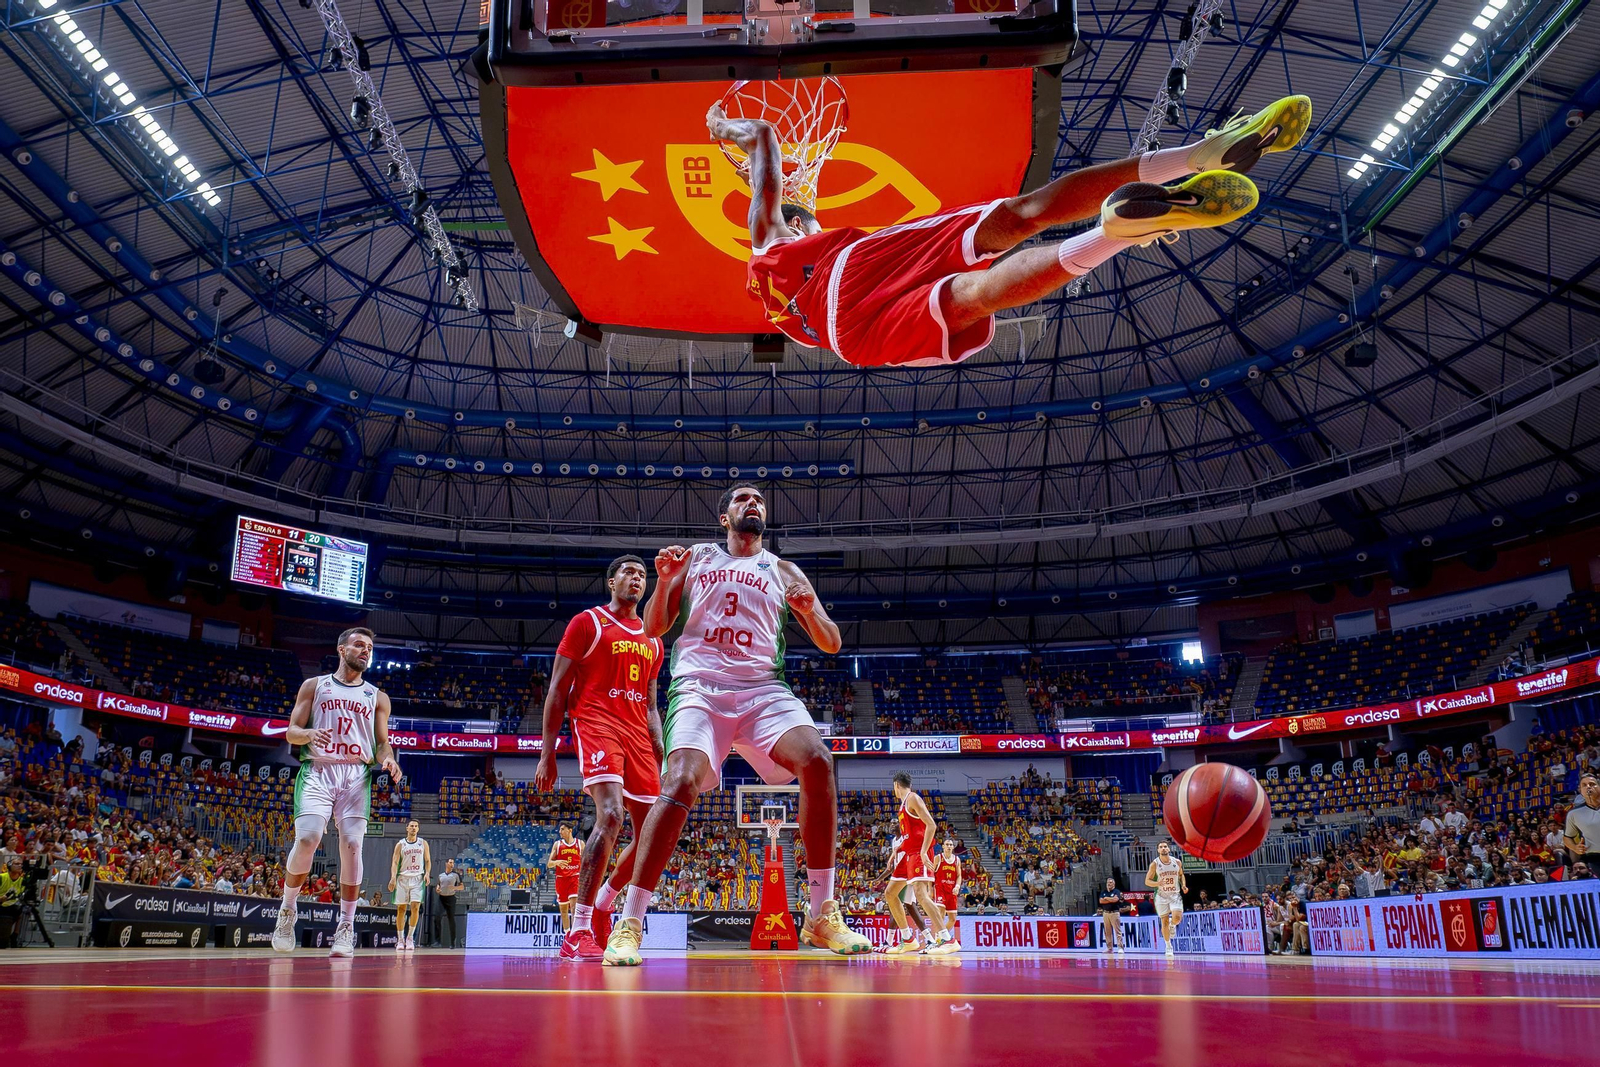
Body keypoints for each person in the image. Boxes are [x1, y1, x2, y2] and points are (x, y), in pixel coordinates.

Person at [707, 96, 1309, 368]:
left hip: (852, 340)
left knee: (976, 297)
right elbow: (764, 137)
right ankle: (1198, 154)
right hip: (856, 269)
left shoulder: (777, 294)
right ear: (799, 222)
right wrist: (720, 126)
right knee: (1020, 215)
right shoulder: (770, 240)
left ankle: (1117, 234)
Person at [600, 485, 871, 965]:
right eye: (743, 498)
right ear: (724, 517)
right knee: (680, 780)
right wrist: (664, 581)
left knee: (817, 759)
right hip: (700, 687)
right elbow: (652, 627)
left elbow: (831, 642)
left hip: (763, 689)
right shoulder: (697, 557)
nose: (753, 504)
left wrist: (808, 613)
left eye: (759, 500)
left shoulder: (784, 570)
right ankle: (630, 923)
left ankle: (822, 913)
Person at [534, 556, 666, 962]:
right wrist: (547, 752)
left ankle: (606, 903)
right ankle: (578, 930)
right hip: (596, 724)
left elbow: (650, 704)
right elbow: (558, 689)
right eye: (629, 573)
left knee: (654, 834)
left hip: (638, 735)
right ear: (612, 581)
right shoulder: (588, 622)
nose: (637, 579)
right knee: (610, 815)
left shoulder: (654, 639)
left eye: (642, 575)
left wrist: (659, 747)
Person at [270, 627, 401, 960]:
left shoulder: (377, 696)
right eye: (359, 645)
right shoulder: (314, 686)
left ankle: (345, 926)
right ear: (342, 649)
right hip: (319, 769)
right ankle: (287, 909)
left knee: (353, 845)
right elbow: (292, 732)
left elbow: (382, 743)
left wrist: (388, 759)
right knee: (308, 838)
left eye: (369, 647)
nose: (366, 650)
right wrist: (309, 734)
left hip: (356, 774)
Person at [880, 774, 952, 955]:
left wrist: (923, 851)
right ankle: (908, 939)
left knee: (920, 894)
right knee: (890, 893)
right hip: (907, 853)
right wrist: (896, 851)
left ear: (896, 785)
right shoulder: (903, 805)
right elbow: (909, 836)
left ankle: (946, 939)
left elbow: (931, 825)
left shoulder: (913, 798)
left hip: (919, 853)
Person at [388, 819, 430, 952]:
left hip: (417, 878)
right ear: (407, 828)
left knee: (415, 907)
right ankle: (400, 939)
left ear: (418, 829)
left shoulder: (423, 843)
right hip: (402, 878)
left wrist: (427, 873)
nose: (413, 828)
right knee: (401, 909)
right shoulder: (400, 844)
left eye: (416, 826)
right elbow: (395, 862)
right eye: (411, 826)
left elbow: (427, 860)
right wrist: (393, 878)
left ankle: (410, 938)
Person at [1145, 841, 1187, 958]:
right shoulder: (1154, 864)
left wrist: (1183, 885)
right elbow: (1147, 881)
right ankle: (1168, 946)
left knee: (1177, 917)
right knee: (1164, 921)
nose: (1163, 848)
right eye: (1161, 847)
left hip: (1174, 894)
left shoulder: (1177, 862)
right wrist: (1157, 883)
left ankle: (1173, 925)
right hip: (1161, 896)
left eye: (1165, 846)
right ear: (1158, 850)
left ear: (1169, 849)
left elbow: (1181, 875)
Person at [547, 825, 582, 932]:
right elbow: (549, 864)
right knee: (563, 910)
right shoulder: (557, 844)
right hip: (561, 879)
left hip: (575, 877)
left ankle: (575, 933)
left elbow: (586, 861)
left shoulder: (580, 844)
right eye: (560, 829)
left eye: (562, 829)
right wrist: (556, 862)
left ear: (570, 830)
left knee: (574, 907)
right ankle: (567, 934)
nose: (560, 831)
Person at [931, 838, 964, 951]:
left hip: (952, 890)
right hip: (940, 888)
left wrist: (957, 886)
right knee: (940, 914)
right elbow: (931, 873)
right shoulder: (938, 858)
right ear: (943, 847)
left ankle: (940, 938)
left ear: (953, 847)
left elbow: (959, 875)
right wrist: (930, 889)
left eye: (951, 844)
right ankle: (937, 939)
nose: (949, 846)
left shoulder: (957, 860)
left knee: (952, 918)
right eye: (947, 844)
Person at [1562, 773, 1600, 870]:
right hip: (1595, 858)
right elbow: (1567, 837)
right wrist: (1575, 848)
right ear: (1580, 791)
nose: (1588, 787)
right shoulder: (1574, 813)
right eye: (1584, 785)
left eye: (1592, 784)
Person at [436, 859, 462, 948]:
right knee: (437, 917)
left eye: (453, 863)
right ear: (446, 863)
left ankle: (452, 942)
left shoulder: (456, 875)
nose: (452, 864)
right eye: (450, 862)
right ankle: (437, 941)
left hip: (451, 898)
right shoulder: (441, 875)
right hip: (441, 898)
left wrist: (454, 887)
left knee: (451, 920)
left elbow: (462, 887)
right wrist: (437, 889)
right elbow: (438, 885)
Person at [1098, 877, 1126, 955]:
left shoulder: (1116, 891)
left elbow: (1115, 900)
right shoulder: (1103, 892)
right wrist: (1110, 899)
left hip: (1114, 913)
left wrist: (1106, 898)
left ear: (1114, 884)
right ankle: (1109, 948)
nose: (1109, 884)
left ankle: (1120, 947)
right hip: (1106, 913)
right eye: (1108, 882)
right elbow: (1101, 901)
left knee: (1117, 931)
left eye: (1110, 882)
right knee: (1107, 932)